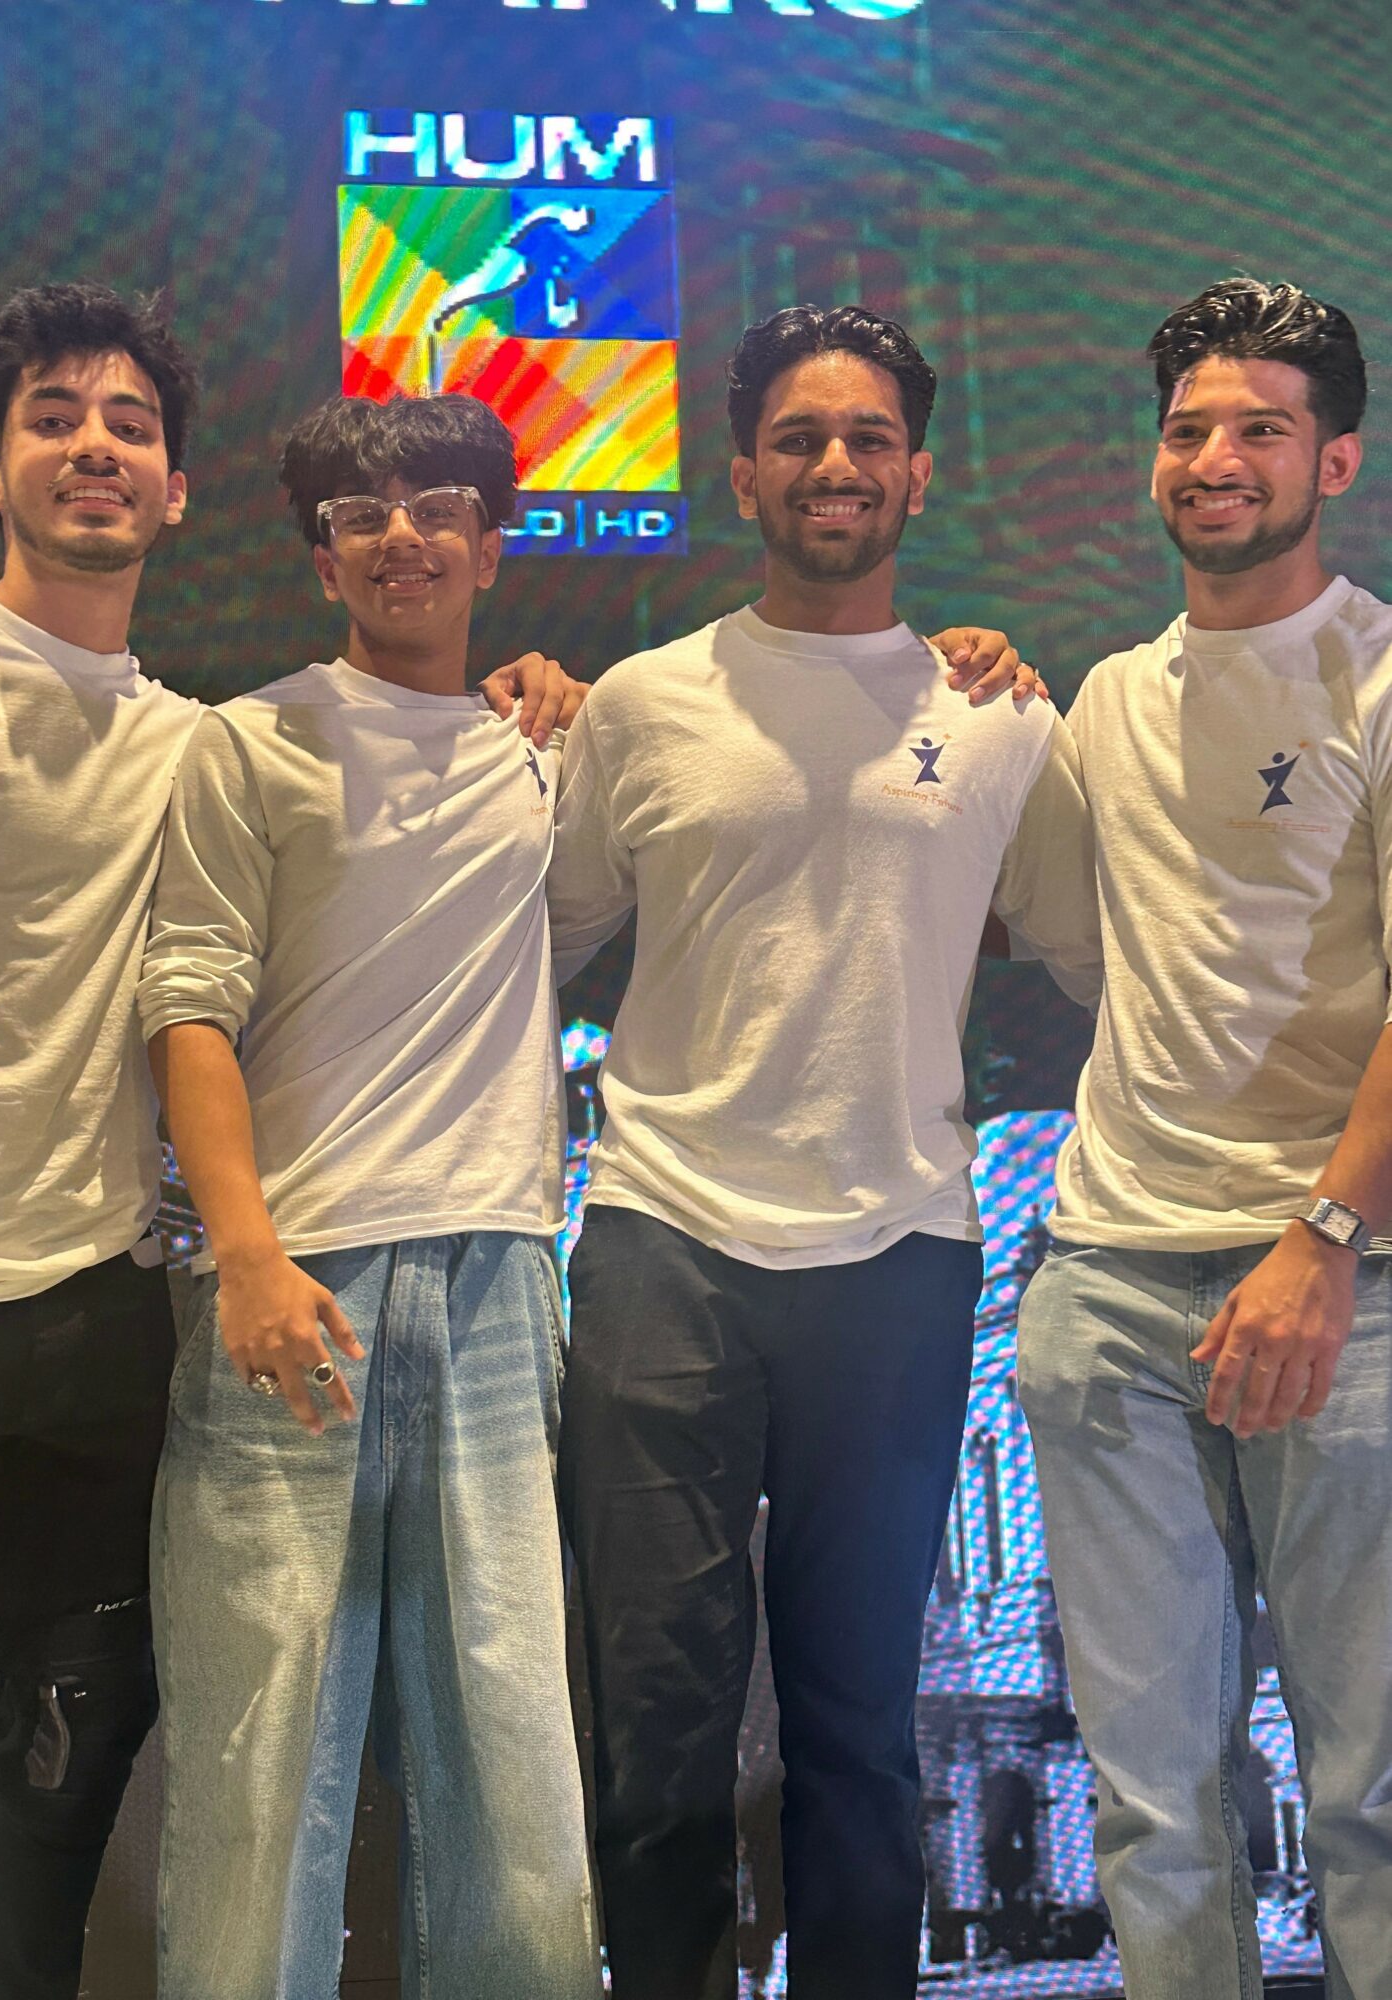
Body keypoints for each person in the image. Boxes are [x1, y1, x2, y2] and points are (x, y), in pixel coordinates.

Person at [544, 302, 1102, 2000]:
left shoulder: (1001, 719)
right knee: (656, 1731)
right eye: (799, 438)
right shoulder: (642, 705)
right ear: (743, 476)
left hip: (900, 1253)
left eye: (869, 439)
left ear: (918, 475)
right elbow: (526, 949)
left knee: (860, 1731)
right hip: (663, 1245)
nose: (835, 464)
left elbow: (1106, 958)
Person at [138, 393, 599, 2000]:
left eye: (439, 505)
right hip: (294, 1290)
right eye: (361, 514)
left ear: (493, 541)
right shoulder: (247, 741)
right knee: (261, 1776)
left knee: (516, 1778)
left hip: (498, 1282)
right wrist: (246, 1255)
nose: (403, 535)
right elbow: (188, 1005)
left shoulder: (554, 745)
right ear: (322, 556)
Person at [1017, 278, 1392, 1998]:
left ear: (1337, 460)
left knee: (1369, 1792)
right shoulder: (1104, 699)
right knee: (1152, 1806)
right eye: (1189, 430)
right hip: (1108, 1280)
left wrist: (1325, 1244)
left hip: (1341, 1291)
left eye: (1260, 428)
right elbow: (1081, 946)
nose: (1217, 458)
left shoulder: (1380, 678)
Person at [0, 281, 200, 2000]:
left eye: (130, 425)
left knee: (65, 1768)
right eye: (55, 417)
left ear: (175, 491)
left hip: (100, 1322)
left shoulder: (190, 742)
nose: (95, 445)